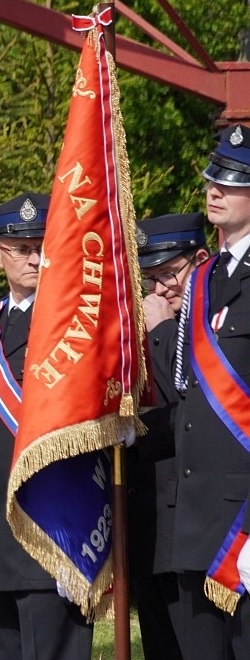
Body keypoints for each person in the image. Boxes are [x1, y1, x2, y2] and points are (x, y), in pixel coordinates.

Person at [0, 192, 93, 659]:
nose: (36, 258)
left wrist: (78, 541)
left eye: (43, 245)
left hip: (53, 528)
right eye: (22, 249)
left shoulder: (73, 324)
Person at [174, 125, 250, 657]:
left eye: (234, 181)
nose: (215, 190)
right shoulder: (202, 280)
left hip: (243, 521)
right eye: (213, 179)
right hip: (197, 516)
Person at [128, 212, 207, 660]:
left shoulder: (210, 324)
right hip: (148, 517)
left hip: (195, 521)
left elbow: (188, 400)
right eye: (150, 278)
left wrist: (158, 330)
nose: (159, 289)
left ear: (199, 259)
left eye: (169, 274)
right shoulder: (149, 325)